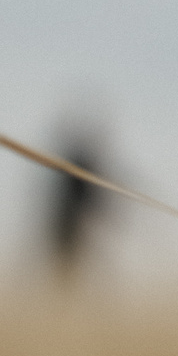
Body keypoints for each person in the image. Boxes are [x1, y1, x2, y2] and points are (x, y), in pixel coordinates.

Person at [45, 120, 114, 284]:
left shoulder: (71, 167)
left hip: (69, 223)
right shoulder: (83, 168)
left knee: (69, 263)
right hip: (73, 224)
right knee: (69, 263)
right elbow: (94, 200)